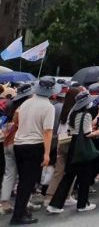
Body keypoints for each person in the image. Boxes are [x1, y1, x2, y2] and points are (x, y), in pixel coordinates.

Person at [46, 91, 99, 215]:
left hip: (73, 145)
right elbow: (87, 133)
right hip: (83, 146)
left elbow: (73, 130)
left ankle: (55, 204)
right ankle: (82, 204)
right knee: (85, 177)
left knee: (68, 175)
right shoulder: (86, 115)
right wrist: (97, 133)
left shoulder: (72, 112)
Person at [12, 76, 57, 225]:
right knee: (27, 183)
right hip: (34, 146)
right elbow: (48, 132)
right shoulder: (48, 107)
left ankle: (21, 211)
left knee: (23, 181)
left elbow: (16, 121)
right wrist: (46, 153)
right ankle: (18, 216)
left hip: (19, 144)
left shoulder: (26, 103)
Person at [45, 86, 81, 209]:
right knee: (71, 171)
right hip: (70, 140)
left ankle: (49, 196)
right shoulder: (75, 110)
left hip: (62, 139)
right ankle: (67, 196)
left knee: (59, 170)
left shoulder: (64, 108)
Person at [0, 84, 32, 216]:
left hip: (7, 141)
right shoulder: (25, 108)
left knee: (9, 174)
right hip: (20, 142)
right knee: (24, 175)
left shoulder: (9, 105)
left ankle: (4, 203)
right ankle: (25, 202)